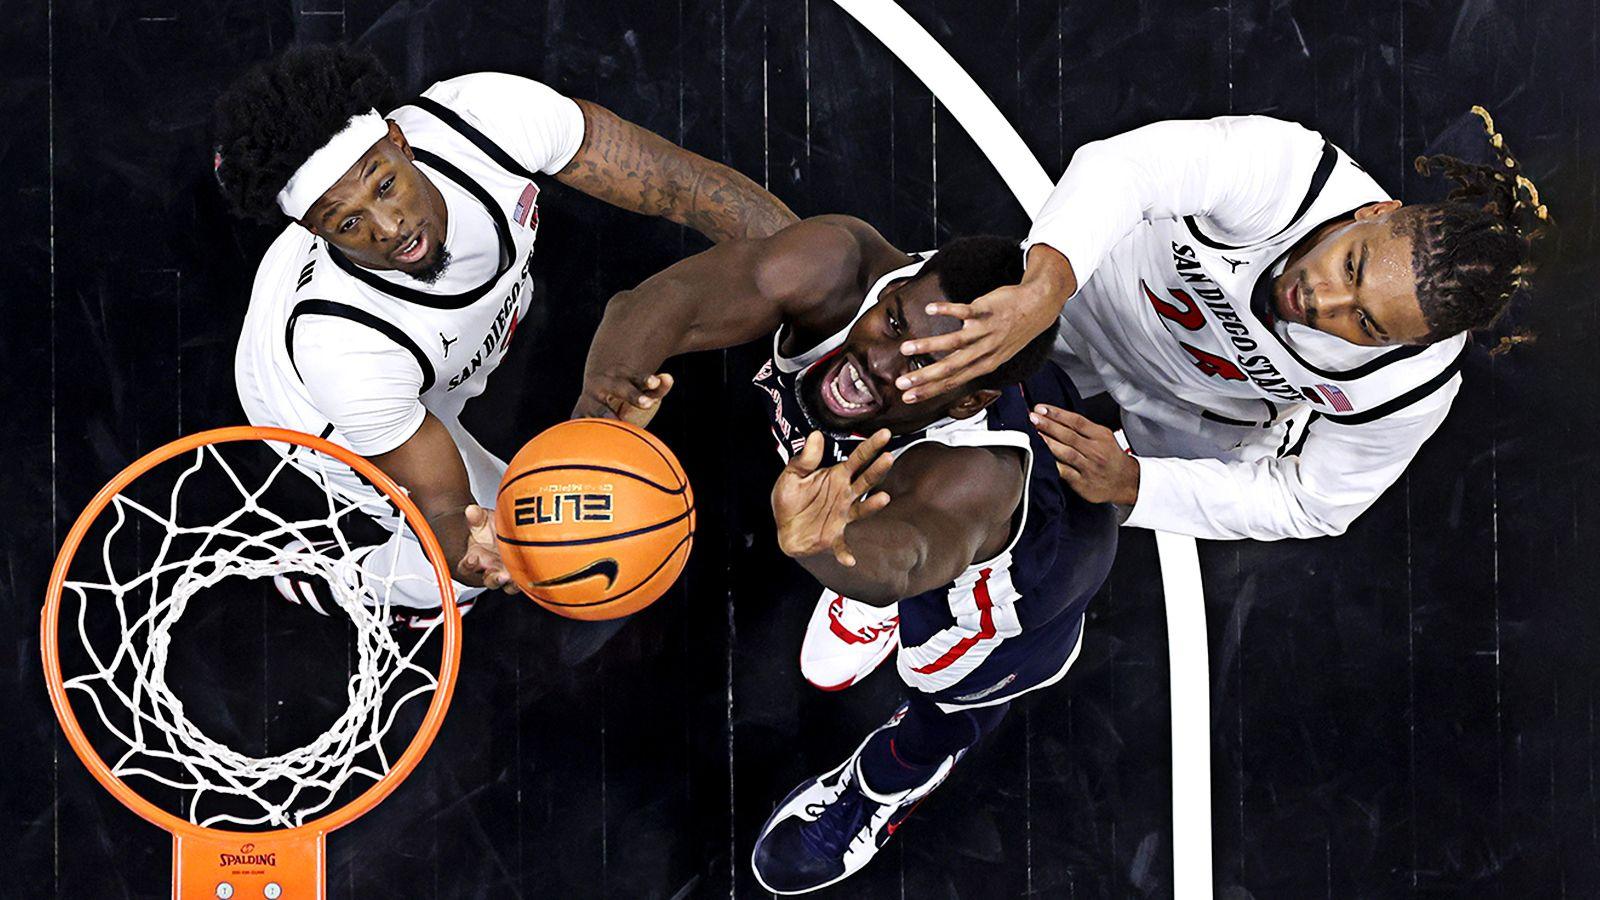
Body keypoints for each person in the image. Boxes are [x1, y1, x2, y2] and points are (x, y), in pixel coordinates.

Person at [814, 108, 1551, 672]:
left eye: (1362, 321)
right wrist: (1046, 285)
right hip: (1082, 305)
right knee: (933, 353)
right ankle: (883, 527)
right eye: (1351, 267)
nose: (1321, 302)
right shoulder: (1290, 173)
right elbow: (1125, 169)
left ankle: (953, 605)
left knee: (1042, 543)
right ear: (1371, 214)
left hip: (1184, 418)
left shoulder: (1406, 388)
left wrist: (1139, 483)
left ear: (1410, 343)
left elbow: (1314, 501)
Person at [574, 220, 1118, 892]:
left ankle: (883, 786)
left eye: (923, 365)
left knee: (948, 691)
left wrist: (827, 545)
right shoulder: (841, 266)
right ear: (904, 281)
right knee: (867, 510)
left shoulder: (980, 475)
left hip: (1017, 575)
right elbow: (659, 307)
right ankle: (853, 553)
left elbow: (908, 561)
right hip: (895, 497)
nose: (878, 367)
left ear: (972, 396)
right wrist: (591, 434)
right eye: (892, 325)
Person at [214, 44, 796, 620]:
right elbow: (445, 506)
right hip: (316, 407)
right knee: (509, 542)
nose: (388, 227)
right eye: (348, 223)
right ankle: (361, 585)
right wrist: (472, 553)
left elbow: (683, 189)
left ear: (399, 140)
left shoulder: (485, 120)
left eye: (385, 185)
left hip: (428, 349)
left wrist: (822, 279)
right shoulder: (341, 353)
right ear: (319, 233)